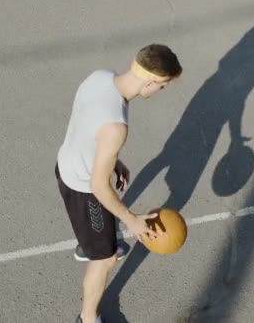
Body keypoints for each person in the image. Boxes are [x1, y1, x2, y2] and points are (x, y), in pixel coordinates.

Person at [54, 44, 182, 323]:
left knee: (99, 231)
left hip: (66, 163)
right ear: (152, 81)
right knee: (105, 259)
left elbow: (88, 124)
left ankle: (91, 241)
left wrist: (112, 160)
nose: (161, 92)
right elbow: (99, 188)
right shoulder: (116, 128)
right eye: (163, 87)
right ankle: (88, 318)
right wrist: (131, 220)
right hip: (84, 188)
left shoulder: (100, 76)